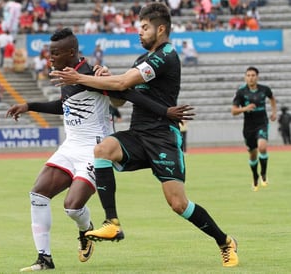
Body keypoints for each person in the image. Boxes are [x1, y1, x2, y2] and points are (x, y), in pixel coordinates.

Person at [50, 3, 238, 268]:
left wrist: (83, 79)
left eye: (145, 27)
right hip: (139, 133)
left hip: (162, 136)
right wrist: (106, 78)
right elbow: (120, 99)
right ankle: (112, 223)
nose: (139, 32)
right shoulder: (142, 60)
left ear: (161, 29)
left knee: (178, 204)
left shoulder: (166, 55)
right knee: (103, 149)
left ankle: (224, 241)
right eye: (139, 27)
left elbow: (123, 83)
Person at [6, 27, 194, 272]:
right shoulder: (68, 74)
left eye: (55, 53)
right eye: (49, 52)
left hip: (94, 148)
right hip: (70, 146)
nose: (49, 57)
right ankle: (45, 259)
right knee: (37, 195)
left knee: (72, 207)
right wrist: (29, 106)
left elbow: (126, 93)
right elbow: (65, 106)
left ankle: (86, 229)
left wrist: (165, 111)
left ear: (71, 52)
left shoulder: (90, 73)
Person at [231, 66, 277, 191]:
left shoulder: (264, 89)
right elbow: (233, 111)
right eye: (248, 75)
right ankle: (255, 176)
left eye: (253, 75)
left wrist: (274, 112)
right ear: (245, 77)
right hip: (248, 127)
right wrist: (244, 109)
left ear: (257, 77)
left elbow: (272, 98)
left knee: (262, 147)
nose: (251, 78)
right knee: (252, 155)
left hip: (262, 123)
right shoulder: (241, 92)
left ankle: (263, 174)